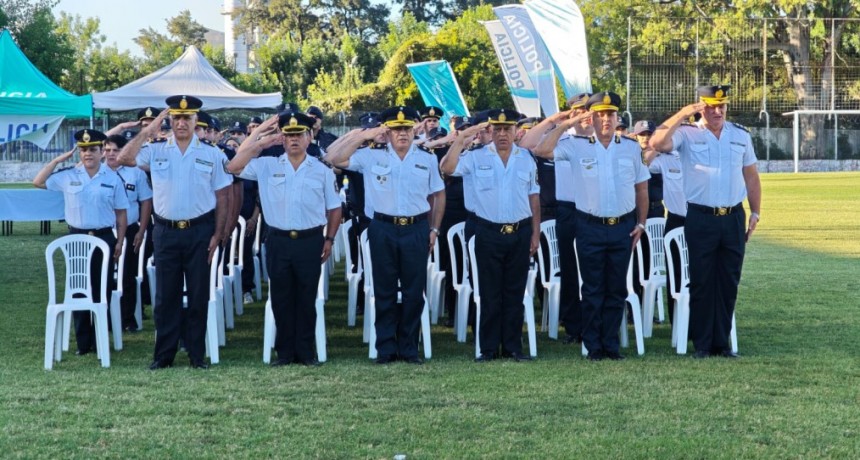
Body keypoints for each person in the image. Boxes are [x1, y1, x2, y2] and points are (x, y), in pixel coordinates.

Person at [118, 95, 232, 370]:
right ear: (169, 120)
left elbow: (223, 196)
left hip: (200, 231)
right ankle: (164, 355)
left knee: (198, 294)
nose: (181, 123)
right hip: (165, 232)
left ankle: (196, 354)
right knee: (165, 297)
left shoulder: (212, 153)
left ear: (196, 121)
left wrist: (218, 234)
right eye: (176, 118)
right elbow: (124, 157)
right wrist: (149, 130)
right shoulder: (155, 149)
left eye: (187, 118)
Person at [535, 92, 650, 361]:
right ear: (591, 118)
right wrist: (566, 123)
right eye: (600, 115)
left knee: (616, 289)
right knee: (592, 288)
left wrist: (642, 223)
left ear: (617, 117)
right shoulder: (576, 145)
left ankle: (611, 345)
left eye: (610, 114)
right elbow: (541, 150)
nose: (606, 119)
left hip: (623, 227)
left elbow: (642, 188)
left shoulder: (630, 147)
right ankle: (593, 346)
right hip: (589, 226)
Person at [650, 85, 761, 359]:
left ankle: (721, 343)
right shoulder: (687, 133)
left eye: (721, 106)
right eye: (711, 107)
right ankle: (702, 344)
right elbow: (657, 143)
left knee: (728, 281)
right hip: (701, 217)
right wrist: (682, 114)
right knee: (701, 281)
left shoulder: (740, 135)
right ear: (701, 107)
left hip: (733, 216)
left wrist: (755, 212)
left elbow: (751, 175)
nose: (717, 111)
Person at [328, 106, 446, 365]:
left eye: (406, 128)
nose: (402, 133)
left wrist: (434, 229)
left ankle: (409, 348)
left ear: (414, 130)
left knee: (414, 291)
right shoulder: (371, 155)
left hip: (416, 228)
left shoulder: (426, 158)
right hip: (382, 227)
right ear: (387, 132)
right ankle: (385, 349)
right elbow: (334, 158)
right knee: (384, 290)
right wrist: (365, 135)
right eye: (395, 129)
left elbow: (438, 194)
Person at [228, 111, 342, 366]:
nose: (294, 139)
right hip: (278, 240)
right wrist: (261, 140)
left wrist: (330, 239)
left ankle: (305, 352)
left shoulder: (322, 170)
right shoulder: (266, 165)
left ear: (309, 137)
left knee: (306, 297)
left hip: (310, 240)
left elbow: (335, 208)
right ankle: (285, 352)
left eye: (299, 134)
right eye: (289, 135)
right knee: (281, 297)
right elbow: (233, 166)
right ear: (282, 138)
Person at [441, 109, 541, 362]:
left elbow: (534, 196)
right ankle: (487, 348)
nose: (503, 134)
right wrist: (462, 138)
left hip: (519, 232)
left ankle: (513, 347)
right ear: (490, 132)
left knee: (514, 292)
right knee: (488, 293)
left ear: (516, 131)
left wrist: (536, 231)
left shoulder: (526, 158)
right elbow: (447, 168)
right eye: (497, 129)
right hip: (487, 232)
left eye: (507, 129)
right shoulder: (475, 156)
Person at [33, 129, 129, 355]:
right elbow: (38, 181)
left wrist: (119, 241)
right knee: (78, 291)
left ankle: (100, 338)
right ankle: (83, 343)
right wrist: (57, 160)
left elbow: (121, 213)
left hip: (104, 238)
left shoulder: (112, 178)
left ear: (101, 152)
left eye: (93, 149)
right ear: (79, 152)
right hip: (76, 239)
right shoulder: (67, 175)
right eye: (83, 150)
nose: (88, 154)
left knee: (102, 289)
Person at [103, 134, 153, 331]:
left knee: (127, 275)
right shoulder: (96, 172)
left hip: (131, 229)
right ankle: (105, 318)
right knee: (104, 276)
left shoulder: (136, 172)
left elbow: (146, 201)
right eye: (107, 150)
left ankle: (127, 318)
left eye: (116, 150)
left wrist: (142, 230)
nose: (111, 154)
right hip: (104, 231)